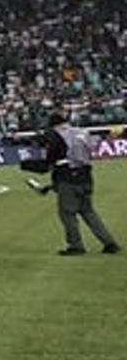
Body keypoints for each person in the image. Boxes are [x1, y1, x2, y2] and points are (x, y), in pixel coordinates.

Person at [24, 110, 120, 256]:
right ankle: (110, 243)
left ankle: (76, 246)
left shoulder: (56, 134)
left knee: (67, 213)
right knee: (88, 212)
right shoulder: (82, 132)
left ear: (53, 125)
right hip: (86, 176)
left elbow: (47, 158)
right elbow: (93, 147)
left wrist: (25, 164)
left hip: (68, 177)